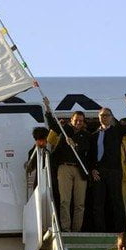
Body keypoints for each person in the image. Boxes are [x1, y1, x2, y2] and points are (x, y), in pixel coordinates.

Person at [89, 94, 126, 232]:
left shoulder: (117, 131)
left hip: (114, 171)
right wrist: (92, 169)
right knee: (98, 203)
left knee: (117, 202)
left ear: (111, 117)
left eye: (107, 115)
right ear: (99, 117)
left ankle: (121, 231)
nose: (105, 117)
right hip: (98, 171)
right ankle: (100, 230)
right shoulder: (94, 135)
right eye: (102, 115)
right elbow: (90, 155)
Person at [43, 97, 91, 232]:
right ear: (72, 120)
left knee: (80, 203)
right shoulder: (64, 130)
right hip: (64, 168)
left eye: (81, 121)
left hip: (80, 170)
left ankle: (77, 230)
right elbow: (52, 124)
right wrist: (47, 107)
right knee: (65, 201)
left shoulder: (86, 135)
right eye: (76, 120)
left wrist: (75, 144)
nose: (78, 123)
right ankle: (65, 228)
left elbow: (87, 148)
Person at [25, 127, 50, 192]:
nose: (42, 143)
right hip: (40, 181)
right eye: (40, 140)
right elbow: (30, 167)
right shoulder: (33, 152)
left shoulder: (49, 151)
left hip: (50, 179)